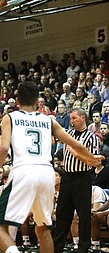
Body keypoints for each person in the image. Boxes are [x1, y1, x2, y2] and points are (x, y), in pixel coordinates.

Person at [0, 82, 103, 253]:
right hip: (47, 174)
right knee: (43, 228)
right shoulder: (48, 120)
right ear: (38, 101)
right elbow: (77, 144)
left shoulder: (10, 117)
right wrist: (92, 159)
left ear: (17, 100)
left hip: (24, 170)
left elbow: (2, 148)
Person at [54, 108, 102, 253]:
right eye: (71, 118)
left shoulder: (92, 137)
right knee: (62, 213)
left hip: (82, 177)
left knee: (83, 214)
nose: (72, 121)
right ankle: (57, 248)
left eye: (74, 118)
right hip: (67, 176)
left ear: (83, 118)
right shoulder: (68, 134)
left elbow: (93, 162)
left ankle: (83, 248)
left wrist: (76, 152)